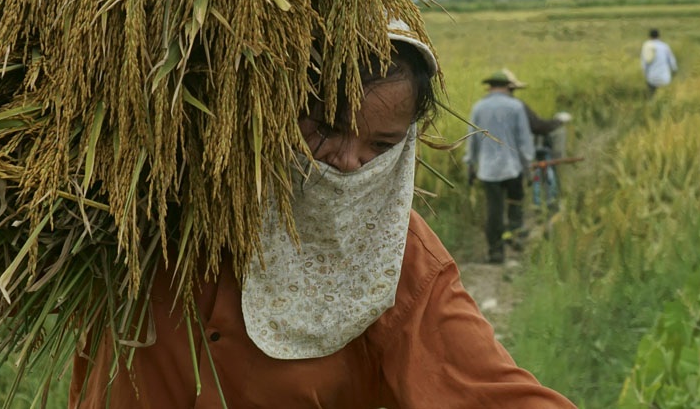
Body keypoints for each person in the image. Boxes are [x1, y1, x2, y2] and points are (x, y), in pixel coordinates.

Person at [70, 24, 577, 408]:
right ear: (272, 107)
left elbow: (487, 391)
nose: (349, 162)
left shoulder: (395, 256)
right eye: (326, 128)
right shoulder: (146, 199)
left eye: (381, 145)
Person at [464, 70, 536, 265]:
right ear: (507, 87)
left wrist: (470, 164)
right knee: (515, 203)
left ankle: (496, 252)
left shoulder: (479, 107)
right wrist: (528, 165)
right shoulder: (515, 106)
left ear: (490, 87)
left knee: (494, 210)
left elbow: (472, 139)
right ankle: (515, 239)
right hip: (512, 167)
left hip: (488, 170)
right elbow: (524, 139)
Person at [503, 69, 572, 212]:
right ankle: (550, 199)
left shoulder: (484, 107)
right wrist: (558, 121)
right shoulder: (516, 106)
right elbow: (539, 126)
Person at [640, 28, 678, 96]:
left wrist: (645, 75)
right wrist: (674, 71)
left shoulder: (646, 46)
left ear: (649, 37)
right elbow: (672, 62)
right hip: (665, 79)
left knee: (651, 95)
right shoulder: (665, 46)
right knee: (665, 96)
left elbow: (644, 64)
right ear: (659, 36)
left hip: (652, 78)